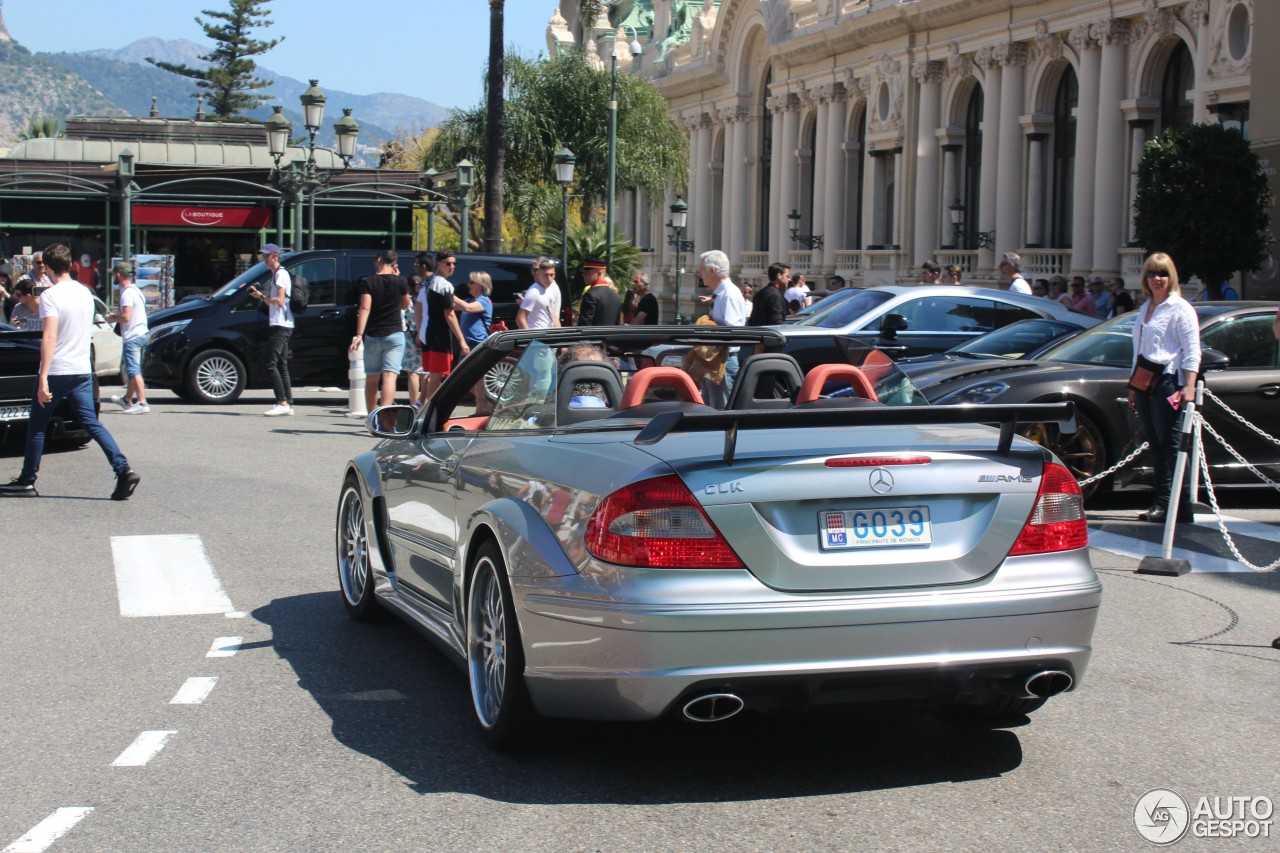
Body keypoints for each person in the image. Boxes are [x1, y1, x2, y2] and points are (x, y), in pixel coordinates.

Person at [0, 244, 139, 500]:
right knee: (91, 423)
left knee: (37, 426)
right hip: (82, 369)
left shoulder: (52, 296)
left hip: (58, 370)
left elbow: (50, 336)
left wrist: (42, 377)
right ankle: (123, 469)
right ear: (71, 264)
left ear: (49, 268)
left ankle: (27, 481)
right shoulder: (85, 293)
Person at [1128, 252, 1200, 525]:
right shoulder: (1146, 307)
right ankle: (1166, 502)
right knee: (1156, 444)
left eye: (1162, 274)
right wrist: (1132, 386)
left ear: (1171, 278)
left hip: (1168, 382)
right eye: (1152, 274)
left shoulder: (1180, 308)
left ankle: (1174, 505)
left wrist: (1189, 386)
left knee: (1170, 444)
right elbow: (1138, 350)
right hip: (1144, 382)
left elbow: (1192, 350)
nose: (1157, 279)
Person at [351, 250, 410, 414]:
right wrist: (398, 280)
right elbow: (405, 305)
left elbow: (364, 308)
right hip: (394, 334)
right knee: (390, 376)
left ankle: (371, 416)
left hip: (373, 334)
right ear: (395, 265)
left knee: (372, 378)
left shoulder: (368, 281)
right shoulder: (401, 282)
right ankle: (383, 417)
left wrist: (359, 335)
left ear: (379, 260)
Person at [694, 249, 748, 407]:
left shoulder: (729, 294)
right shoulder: (723, 293)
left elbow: (731, 330)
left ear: (712, 270)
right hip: (717, 359)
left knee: (723, 409)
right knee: (713, 406)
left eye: (702, 269)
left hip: (723, 360)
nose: (700, 274)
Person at [246, 243, 294, 416]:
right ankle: (288, 403)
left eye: (267, 256)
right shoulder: (277, 275)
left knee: (271, 363)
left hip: (281, 325)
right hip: (283, 324)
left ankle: (282, 402)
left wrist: (264, 297)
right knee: (281, 364)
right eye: (263, 256)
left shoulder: (280, 274)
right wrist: (261, 296)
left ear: (275, 256)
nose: (264, 259)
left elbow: (280, 301)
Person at [418, 250, 468, 403]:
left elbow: (418, 307)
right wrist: (461, 340)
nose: (451, 266)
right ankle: (432, 411)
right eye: (448, 263)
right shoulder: (444, 285)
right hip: (438, 335)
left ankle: (423, 405)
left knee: (433, 374)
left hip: (427, 334)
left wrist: (420, 331)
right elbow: (450, 314)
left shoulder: (427, 283)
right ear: (439, 264)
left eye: (454, 264)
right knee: (436, 376)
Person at [106, 262, 150, 414]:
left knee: (133, 370)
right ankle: (127, 400)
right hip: (143, 333)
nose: (113, 276)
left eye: (113, 274)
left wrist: (112, 318)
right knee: (134, 369)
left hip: (133, 336)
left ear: (118, 275)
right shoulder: (137, 291)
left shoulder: (126, 294)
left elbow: (126, 317)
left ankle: (142, 403)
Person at [517, 257, 562, 330]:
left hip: (548, 335)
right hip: (537, 336)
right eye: (546, 275)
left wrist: (560, 334)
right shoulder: (534, 292)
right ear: (539, 274)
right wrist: (530, 338)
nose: (549, 279)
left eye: (552, 275)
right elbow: (520, 319)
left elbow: (554, 316)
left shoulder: (548, 289)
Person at [576, 259, 621, 326]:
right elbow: (617, 324)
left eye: (587, 272)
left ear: (599, 273)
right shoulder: (616, 297)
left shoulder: (590, 295)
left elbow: (585, 325)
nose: (583, 275)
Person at [747, 262, 787, 327]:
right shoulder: (775, 296)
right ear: (779, 276)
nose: (789, 279)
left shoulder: (759, 294)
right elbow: (777, 323)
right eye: (787, 276)